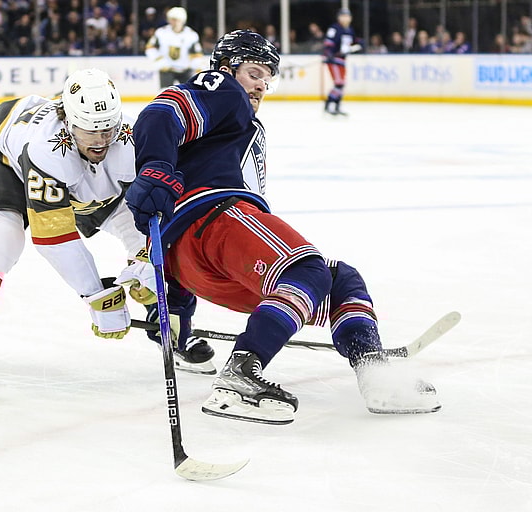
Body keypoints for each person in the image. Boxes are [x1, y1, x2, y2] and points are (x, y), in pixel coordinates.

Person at [125, 29, 440, 425]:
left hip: (193, 259)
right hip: (212, 220)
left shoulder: (237, 120)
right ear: (226, 68)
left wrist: (177, 311)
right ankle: (241, 374)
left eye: (267, 78)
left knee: (339, 280)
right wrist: (155, 166)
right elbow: (162, 112)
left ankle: (374, 373)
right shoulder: (223, 88)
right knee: (306, 270)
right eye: (254, 73)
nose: (261, 85)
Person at [0, 68, 215, 398]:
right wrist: (96, 295)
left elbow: (152, 214)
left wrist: (146, 264)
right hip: (2, 159)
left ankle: (166, 324)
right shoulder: (46, 147)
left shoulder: (132, 138)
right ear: (68, 122)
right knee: (2, 236)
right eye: (90, 130)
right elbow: (54, 237)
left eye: (108, 128)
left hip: (71, 172)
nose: (101, 140)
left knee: (144, 237)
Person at [144, 6, 204, 89]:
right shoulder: (161, 32)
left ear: (183, 20)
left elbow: (197, 54)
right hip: (167, 69)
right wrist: (160, 62)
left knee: (188, 92)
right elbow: (150, 48)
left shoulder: (191, 35)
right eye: (172, 19)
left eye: (177, 20)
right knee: (164, 93)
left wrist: (195, 66)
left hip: (185, 69)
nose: (174, 22)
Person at [322, 8, 363, 116]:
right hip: (334, 60)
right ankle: (328, 104)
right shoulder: (334, 28)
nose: (346, 18)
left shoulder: (350, 30)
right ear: (339, 17)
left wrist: (360, 43)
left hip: (342, 60)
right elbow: (328, 42)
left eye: (347, 16)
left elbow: (353, 41)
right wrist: (329, 53)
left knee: (342, 84)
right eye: (343, 16)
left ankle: (337, 106)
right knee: (339, 83)